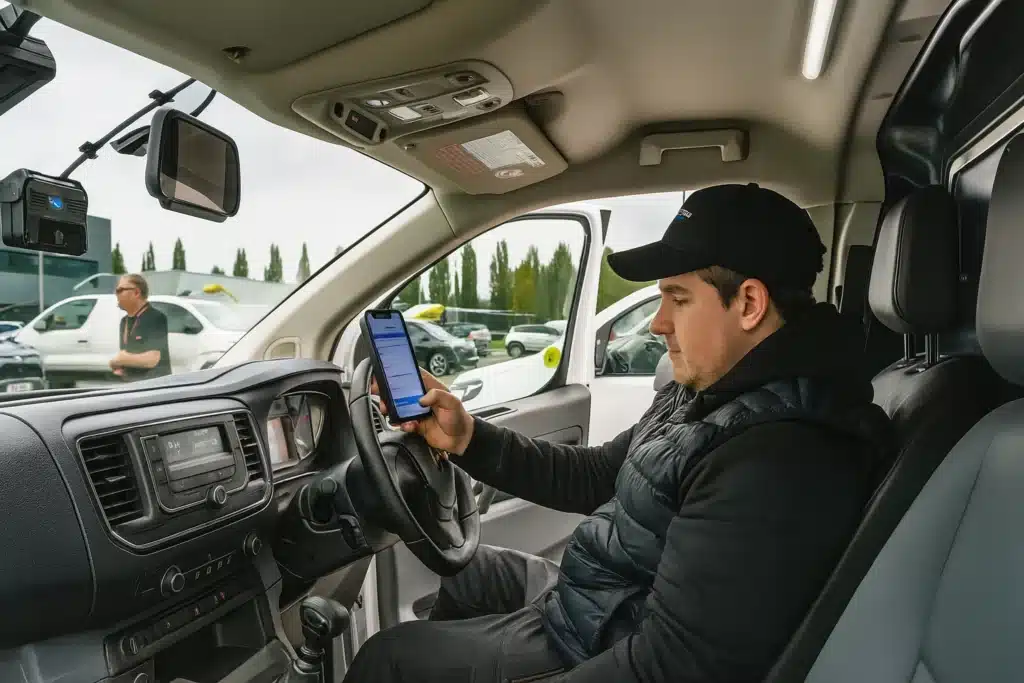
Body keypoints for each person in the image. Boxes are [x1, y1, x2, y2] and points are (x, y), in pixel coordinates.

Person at [347, 183, 894, 683]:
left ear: (749, 303)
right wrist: (466, 436)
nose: (657, 323)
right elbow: (597, 475)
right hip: (598, 603)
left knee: (386, 659)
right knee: (467, 574)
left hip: (595, 643)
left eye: (678, 299)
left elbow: (669, 667)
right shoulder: (710, 391)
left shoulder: (779, 455)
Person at [109, 273, 172, 381]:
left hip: (154, 387)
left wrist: (120, 359)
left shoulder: (155, 317)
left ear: (136, 292)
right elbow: (126, 355)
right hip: (132, 386)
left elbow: (152, 359)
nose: (116, 294)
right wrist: (120, 365)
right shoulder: (124, 321)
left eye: (120, 290)